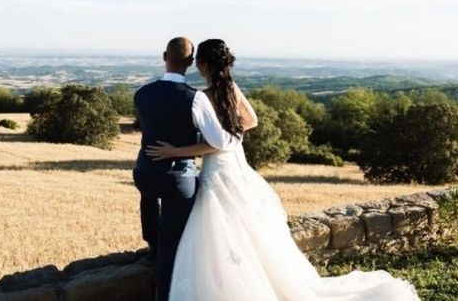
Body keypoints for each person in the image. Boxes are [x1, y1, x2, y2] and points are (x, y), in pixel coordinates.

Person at [146, 39, 419, 300]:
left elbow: (214, 143)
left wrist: (178, 150)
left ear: (202, 65)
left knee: (218, 224)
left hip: (217, 166)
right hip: (237, 165)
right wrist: (233, 134)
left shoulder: (204, 97)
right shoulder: (232, 89)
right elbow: (251, 120)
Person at [132, 37, 243, 301]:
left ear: (164, 56)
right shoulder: (195, 98)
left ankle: (151, 244)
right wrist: (178, 152)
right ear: (191, 63)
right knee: (173, 243)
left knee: (149, 197)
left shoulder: (141, 94)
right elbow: (218, 142)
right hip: (177, 180)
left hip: (144, 174)